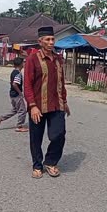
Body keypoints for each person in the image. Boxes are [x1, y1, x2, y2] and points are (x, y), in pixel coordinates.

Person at [24, 26, 70, 179]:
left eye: (52, 39)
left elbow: (61, 82)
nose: (51, 42)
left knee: (59, 135)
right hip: (37, 106)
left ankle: (50, 162)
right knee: (36, 138)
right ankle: (37, 165)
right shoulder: (32, 59)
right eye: (48, 40)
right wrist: (32, 106)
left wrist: (65, 101)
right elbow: (27, 85)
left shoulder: (58, 59)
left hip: (56, 104)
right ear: (40, 41)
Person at [0, 57, 28, 133]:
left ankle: (0, 118)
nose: (24, 64)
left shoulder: (13, 72)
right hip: (16, 95)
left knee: (15, 110)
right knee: (23, 110)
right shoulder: (18, 74)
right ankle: (19, 126)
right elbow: (14, 84)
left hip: (12, 94)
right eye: (23, 62)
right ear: (21, 64)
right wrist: (20, 93)